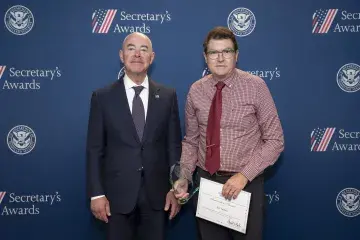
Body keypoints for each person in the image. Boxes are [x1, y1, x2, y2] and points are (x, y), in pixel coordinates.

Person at [174, 26, 284, 240]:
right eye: (214, 52)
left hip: (246, 184)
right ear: (205, 57)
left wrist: (243, 176)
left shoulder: (256, 86)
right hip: (207, 184)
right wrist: (185, 176)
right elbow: (191, 141)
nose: (221, 58)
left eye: (227, 51)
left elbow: (275, 140)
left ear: (237, 55)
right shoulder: (196, 90)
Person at [86, 32, 182, 240]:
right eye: (131, 48)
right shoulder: (102, 97)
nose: (137, 54)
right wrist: (96, 193)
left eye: (143, 49)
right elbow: (95, 150)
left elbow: (173, 147)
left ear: (152, 57)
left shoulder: (168, 96)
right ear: (122, 55)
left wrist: (175, 188)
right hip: (115, 198)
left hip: (158, 198)